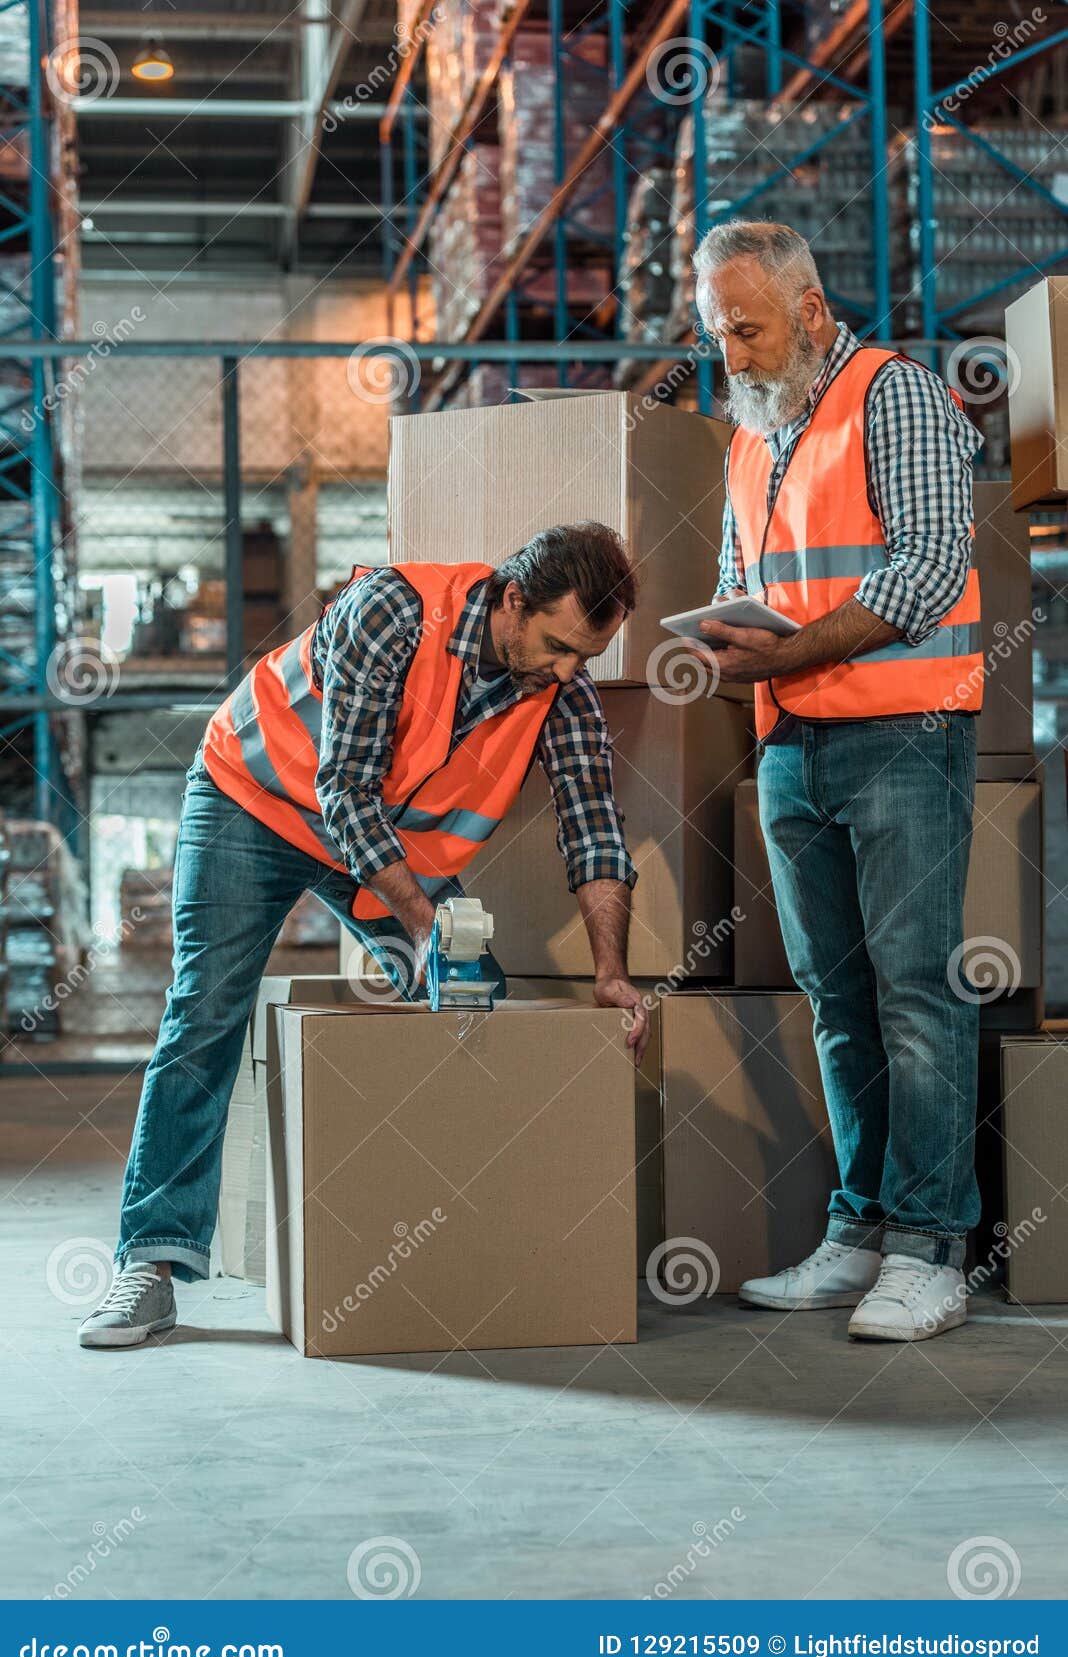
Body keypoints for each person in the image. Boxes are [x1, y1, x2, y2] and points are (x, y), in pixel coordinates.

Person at [79, 522, 650, 1349]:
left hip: (383, 843)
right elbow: (342, 791)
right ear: (513, 600)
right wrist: (425, 925)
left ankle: (450, 1249)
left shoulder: (562, 691)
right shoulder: (396, 611)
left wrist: (611, 972)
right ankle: (151, 1265)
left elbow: (593, 826)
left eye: (584, 658)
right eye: (559, 646)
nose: (568, 671)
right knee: (206, 1010)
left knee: (470, 1003)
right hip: (258, 800)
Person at [692, 221, 984, 1342]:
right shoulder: (749, 435)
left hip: (903, 735)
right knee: (840, 1003)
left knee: (916, 995)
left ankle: (930, 1252)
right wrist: (724, 638)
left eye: (749, 331)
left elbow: (928, 563)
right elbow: (736, 574)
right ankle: (859, 1234)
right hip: (790, 747)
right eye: (721, 336)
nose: (734, 357)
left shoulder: (893, 394)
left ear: (811, 310)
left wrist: (793, 651)